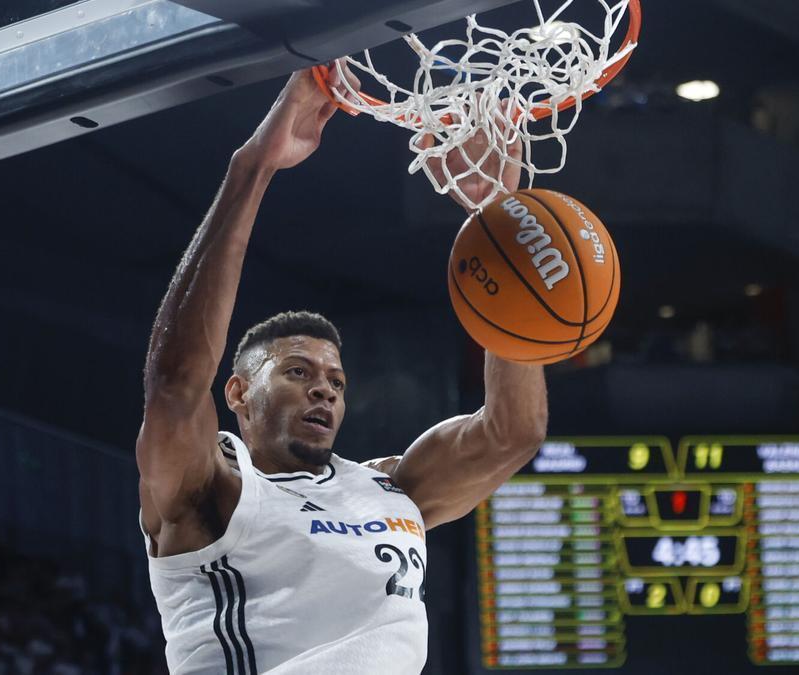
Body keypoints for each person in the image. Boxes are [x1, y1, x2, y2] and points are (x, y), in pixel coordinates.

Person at [136, 62, 546, 674]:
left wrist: (499, 223)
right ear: (239, 392)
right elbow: (174, 386)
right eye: (298, 372)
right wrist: (253, 169)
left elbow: (512, 432)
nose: (323, 389)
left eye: (336, 381)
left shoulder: (389, 488)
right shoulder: (208, 489)